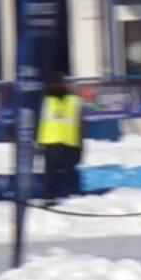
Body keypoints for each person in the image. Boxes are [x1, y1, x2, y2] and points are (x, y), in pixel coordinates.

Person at [37, 72, 85, 200]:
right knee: (64, 172)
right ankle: (66, 194)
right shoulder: (73, 100)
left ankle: (54, 195)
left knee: (54, 173)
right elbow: (80, 123)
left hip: (57, 142)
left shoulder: (46, 100)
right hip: (64, 142)